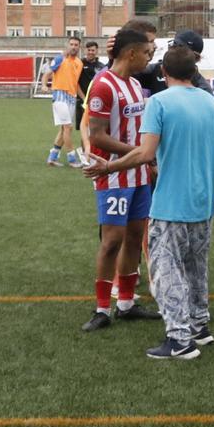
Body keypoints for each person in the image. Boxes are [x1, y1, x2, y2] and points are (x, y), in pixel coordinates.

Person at [85, 44, 214, 359]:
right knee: (197, 268)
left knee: (166, 270)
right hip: (204, 204)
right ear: (194, 73)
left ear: (163, 72)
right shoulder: (213, 105)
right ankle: (200, 328)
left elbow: (145, 154)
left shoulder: (158, 102)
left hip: (171, 205)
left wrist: (108, 166)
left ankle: (179, 340)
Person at [80, 28, 160, 332]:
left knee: (135, 236)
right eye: (145, 53)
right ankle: (101, 308)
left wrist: (144, 159)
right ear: (130, 53)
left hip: (139, 173)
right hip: (113, 176)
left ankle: (126, 303)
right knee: (112, 240)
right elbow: (97, 134)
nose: (148, 57)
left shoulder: (136, 84)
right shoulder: (103, 85)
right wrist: (141, 152)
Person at [42, 37, 84, 167]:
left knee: (63, 129)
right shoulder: (60, 58)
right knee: (68, 127)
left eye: (76, 45)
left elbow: (75, 83)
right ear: (67, 45)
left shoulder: (79, 63)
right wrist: (44, 85)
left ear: (79, 47)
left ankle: (52, 157)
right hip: (59, 95)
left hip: (71, 98)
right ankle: (72, 159)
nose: (73, 47)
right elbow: (47, 74)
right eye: (71, 44)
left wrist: (84, 99)